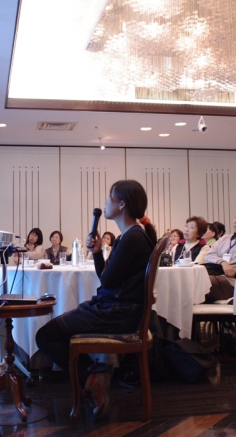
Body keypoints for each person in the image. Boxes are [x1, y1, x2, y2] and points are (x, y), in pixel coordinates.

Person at [35, 180, 157, 420]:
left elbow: (107, 281)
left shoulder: (132, 238)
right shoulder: (130, 236)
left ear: (122, 204)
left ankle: (92, 377)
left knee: (45, 336)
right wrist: (99, 252)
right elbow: (106, 278)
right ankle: (96, 375)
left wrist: (99, 254)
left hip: (116, 313)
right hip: (115, 309)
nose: (105, 202)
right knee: (54, 331)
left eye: (110, 198)